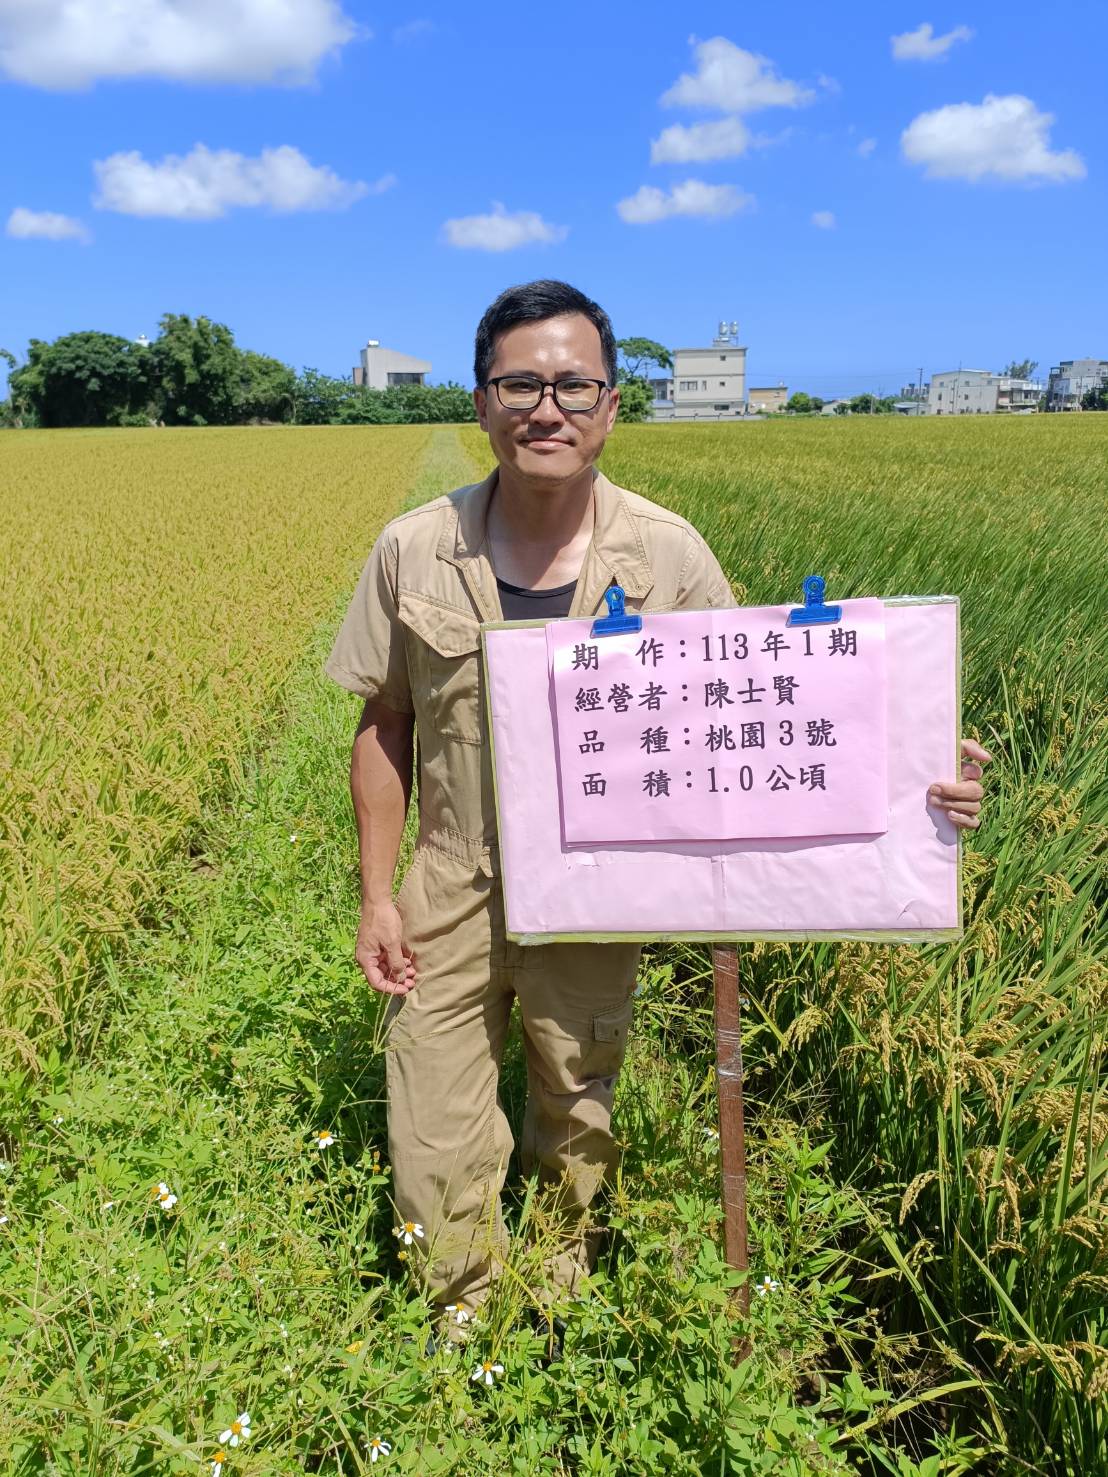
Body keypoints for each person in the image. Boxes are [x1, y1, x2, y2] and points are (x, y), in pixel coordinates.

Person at [324, 279, 990, 1337]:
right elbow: (385, 722)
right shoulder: (413, 549)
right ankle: (460, 1324)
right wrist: (376, 894)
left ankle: (557, 1306)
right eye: (519, 385)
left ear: (611, 404)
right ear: (482, 400)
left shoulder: (668, 554)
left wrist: (918, 772)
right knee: (430, 1113)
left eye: (574, 385)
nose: (547, 407)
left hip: (600, 885)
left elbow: (762, 706)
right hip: (451, 878)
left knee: (575, 1107)